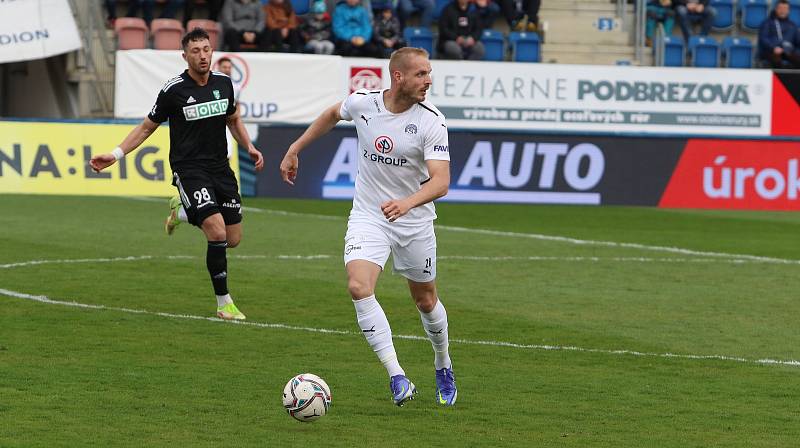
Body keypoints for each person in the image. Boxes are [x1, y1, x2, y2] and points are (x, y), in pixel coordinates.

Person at [279, 47, 457, 407]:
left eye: (429, 73)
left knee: (425, 300)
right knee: (359, 287)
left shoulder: (431, 120)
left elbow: (441, 182)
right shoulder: (364, 103)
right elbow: (332, 114)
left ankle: (443, 364)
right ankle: (397, 377)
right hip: (370, 215)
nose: (428, 81)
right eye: (421, 74)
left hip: (414, 221)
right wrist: (295, 148)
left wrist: (406, 203)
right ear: (398, 77)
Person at [90, 28, 264, 321]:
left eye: (206, 49)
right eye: (195, 51)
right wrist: (116, 154)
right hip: (189, 169)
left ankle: (182, 211)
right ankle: (224, 303)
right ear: (185, 57)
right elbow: (147, 126)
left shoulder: (225, 85)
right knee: (217, 230)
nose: (202, 56)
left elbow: (233, 118)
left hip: (221, 168)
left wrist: (249, 146)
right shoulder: (174, 90)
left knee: (233, 239)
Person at [758, 0, 800, 69]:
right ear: (776, 9)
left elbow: (798, 42)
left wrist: (794, 51)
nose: (783, 11)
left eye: (785, 9)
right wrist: (773, 48)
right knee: (777, 60)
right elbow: (763, 39)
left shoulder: (792, 25)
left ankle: (794, 79)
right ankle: (779, 79)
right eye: (780, 8)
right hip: (771, 51)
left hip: (788, 52)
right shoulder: (767, 23)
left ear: (788, 11)